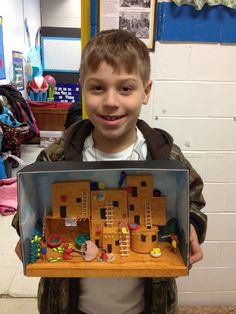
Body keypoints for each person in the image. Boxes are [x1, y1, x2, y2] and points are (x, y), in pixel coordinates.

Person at [13, 29, 207, 314]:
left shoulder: (164, 156)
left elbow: (193, 198)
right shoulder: (55, 158)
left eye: (125, 88)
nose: (111, 101)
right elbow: (29, 204)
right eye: (98, 87)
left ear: (146, 91)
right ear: (82, 88)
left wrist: (191, 224)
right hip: (71, 304)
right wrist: (26, 232)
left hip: (147, 304)